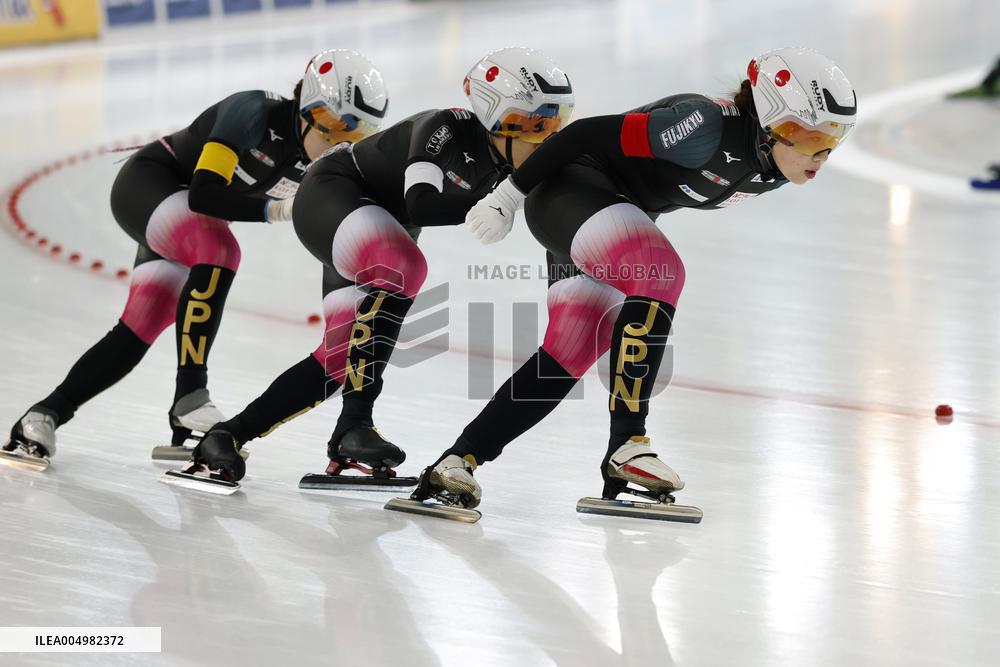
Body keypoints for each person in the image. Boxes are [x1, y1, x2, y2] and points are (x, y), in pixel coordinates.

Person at [402, 47, 858, 521]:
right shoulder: (702, 126)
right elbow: (580, 134)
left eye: (833, 138)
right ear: (767, 121)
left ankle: (456, 461)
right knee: (660, 272)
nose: (819, 153)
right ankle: (628, 444)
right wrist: (506, 198)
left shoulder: (779, 163)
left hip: (601, 211)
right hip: (568, 194)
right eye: (805, 134)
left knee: (570, 350)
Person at [175, 47, 575, 491]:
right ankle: (356, 423)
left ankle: (227, 436)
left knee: (340, 357)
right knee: (405, 265)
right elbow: (419, 203)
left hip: (374, 227)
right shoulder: (444, 127)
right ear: (498, 116)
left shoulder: (509, 165)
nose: (548, 138)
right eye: (537, 124)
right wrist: (490, 203)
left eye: (557, 124)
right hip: (333, 191)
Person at [1, 50, 388, 472]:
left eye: (355, 133)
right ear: (307, 109)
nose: (339, 141)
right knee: (221, 250)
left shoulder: (323, 161)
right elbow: (204, 195)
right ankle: (191, 395)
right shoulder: (253, 112)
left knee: (141, 324)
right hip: (150, 184)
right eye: (333, 125)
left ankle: (43, 416)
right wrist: (270, 211)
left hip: (187, 222)